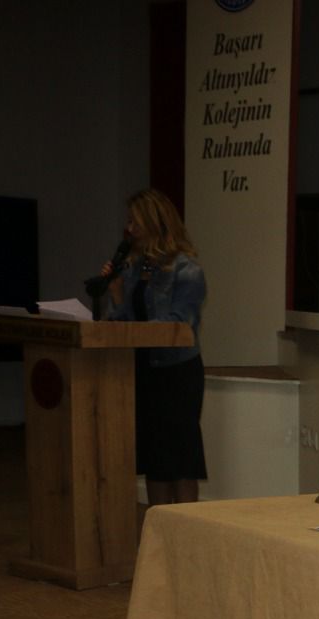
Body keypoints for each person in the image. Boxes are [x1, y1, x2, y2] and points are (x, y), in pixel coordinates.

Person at [99, 188, 208, 506]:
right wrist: (116, 293)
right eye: (128, 221)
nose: (129, 228)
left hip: (176, 373)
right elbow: (122, 325)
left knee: (180, 458)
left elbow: (178, 327)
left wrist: (137, 329)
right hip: (143, 371)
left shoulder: (187, 270)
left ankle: (185, 528)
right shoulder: (133, 268)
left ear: (153, 221)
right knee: (155, 459)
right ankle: (157, 525)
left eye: (134, 221)